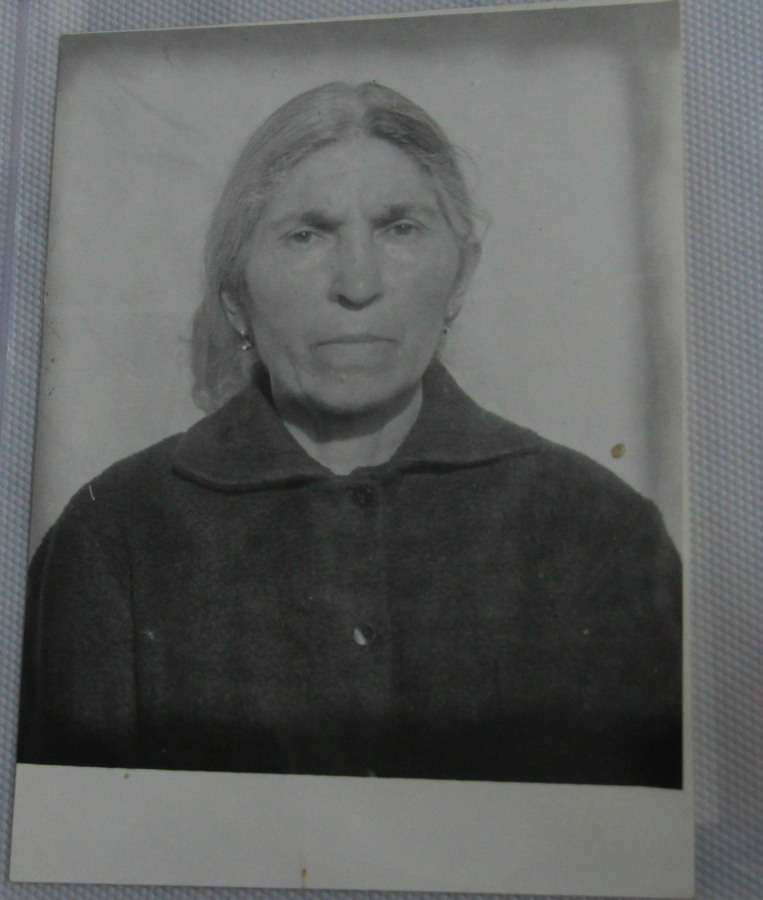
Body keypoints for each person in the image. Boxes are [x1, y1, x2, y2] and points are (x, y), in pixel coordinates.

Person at [17, 82, 682, 787]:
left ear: (461, 277)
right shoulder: (114, 537)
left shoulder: (603, 532)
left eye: (400, 228)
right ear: (235, 296)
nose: (358, 283)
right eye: (307, 234)